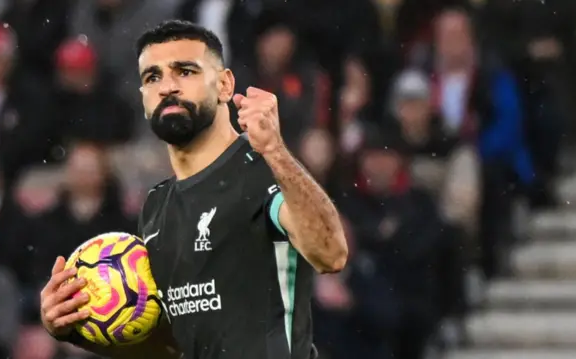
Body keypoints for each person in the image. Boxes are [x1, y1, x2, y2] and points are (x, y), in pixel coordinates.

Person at [38, 20, 349, 359]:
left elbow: (331, 253)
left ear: (225, 85)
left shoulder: (264, 171)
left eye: (185, 71)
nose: (167, 86)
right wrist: (78, 326)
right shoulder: (157, 206)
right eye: (152, 77)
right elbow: (175, 347)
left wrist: (275, 150)